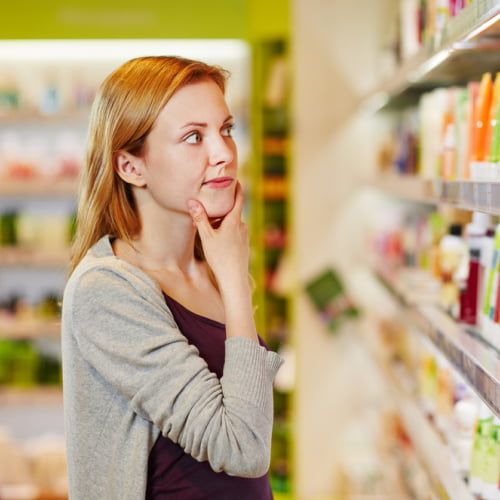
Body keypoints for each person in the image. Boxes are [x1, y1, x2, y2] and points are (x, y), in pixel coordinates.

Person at [61, 55, 284, 500]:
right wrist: (237, 280)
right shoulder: (105, 291)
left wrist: (232, 276)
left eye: (226, 130)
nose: (223, 153)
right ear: (131, 167)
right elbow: (242, 448)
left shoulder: (213, 267)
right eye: (193, 137)